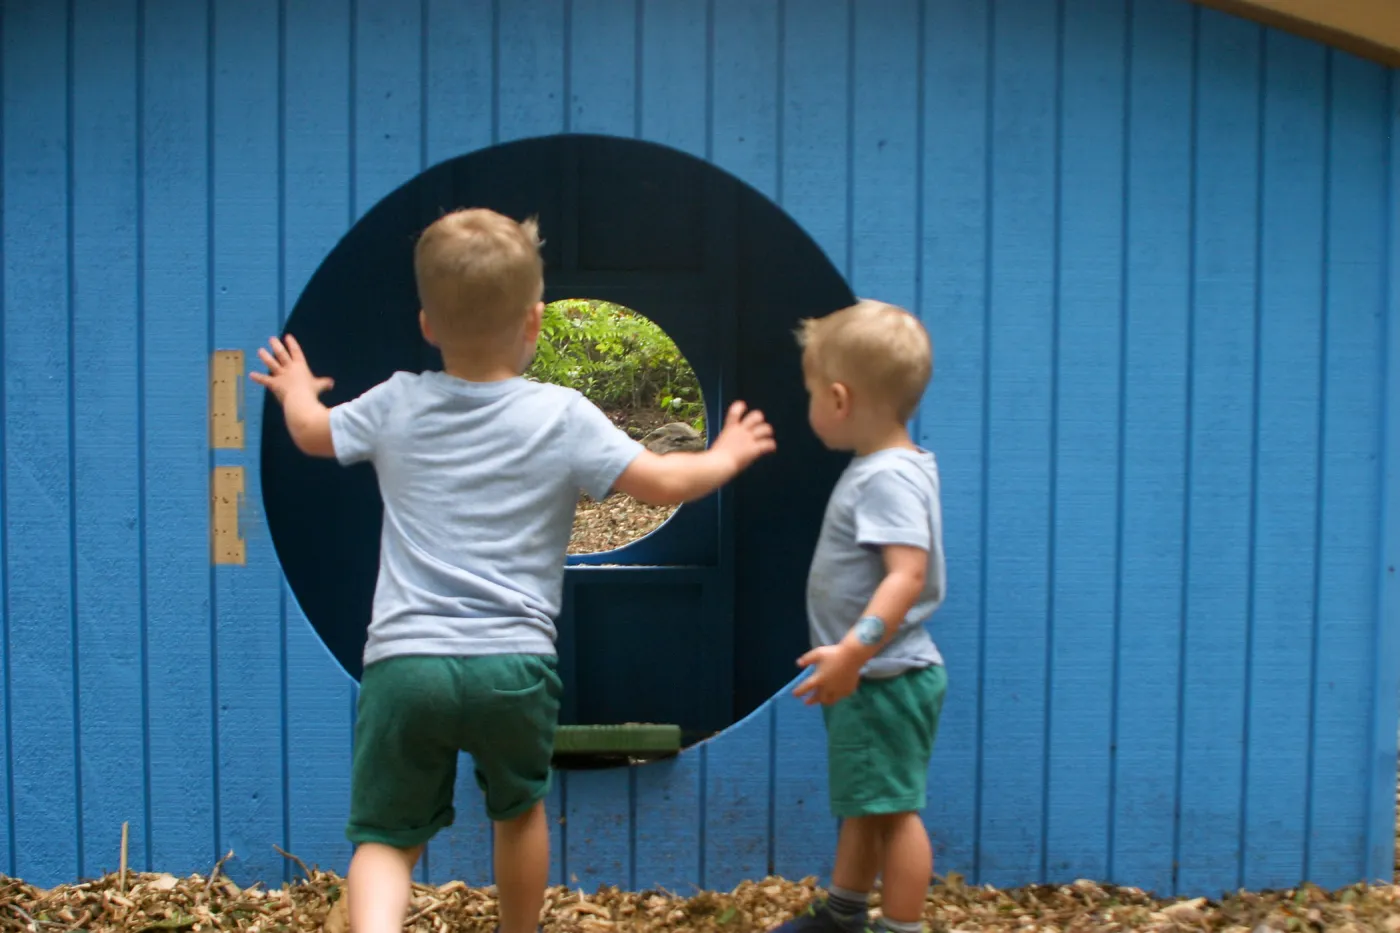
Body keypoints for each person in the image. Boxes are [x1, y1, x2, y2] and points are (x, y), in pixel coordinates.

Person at [251, 208, 776, 933]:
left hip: (408, 662)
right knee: (519, 810)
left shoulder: (397, 401)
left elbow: (312, 433)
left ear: (428, 323)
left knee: (387, 835)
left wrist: (296, 389)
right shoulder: (563, 415)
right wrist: (726, 454)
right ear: (534, 321)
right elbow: (660, 482)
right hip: (513, 665)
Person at [774, 300, 947, 933]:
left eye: (812, 393)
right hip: (877, 677)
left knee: (895, 811)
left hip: (884, 677)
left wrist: (855, 649)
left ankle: (900, 927)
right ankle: (844, 913)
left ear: (840, 399)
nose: (810, 405)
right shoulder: (887, 468)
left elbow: (908, 574)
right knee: (867, 803)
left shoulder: (886, 478)